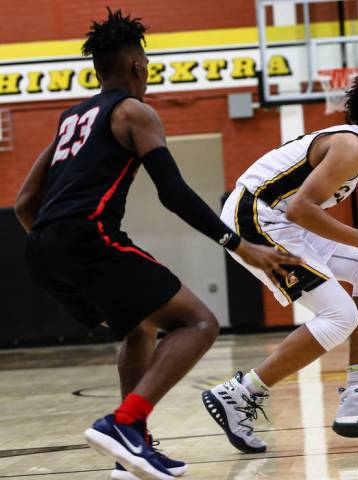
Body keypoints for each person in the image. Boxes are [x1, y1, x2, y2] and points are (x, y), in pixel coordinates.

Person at [14, 9, 299, 480]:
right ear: (135, 66)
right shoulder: (135, 112)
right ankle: (124, 423)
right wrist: (239, 244)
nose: (147, 70)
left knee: (139, 329)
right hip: (89, 236)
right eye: (145, 62)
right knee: (199, 322)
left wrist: (54, 248)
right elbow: (173, 192)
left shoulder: (70, 118)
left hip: (42, 248)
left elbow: (26, 202)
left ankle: (133, 451)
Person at [201, 65, 358, 453]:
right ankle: (237, 394)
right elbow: (301, 210)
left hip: (279, 218)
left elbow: (302, 211)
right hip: (255, 218)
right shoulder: (350, 147)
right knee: (341, 315)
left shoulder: (355, 149)